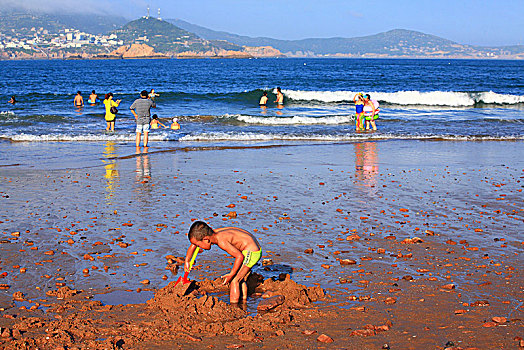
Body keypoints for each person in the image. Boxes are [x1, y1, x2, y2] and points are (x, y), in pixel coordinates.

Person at [184, 221, 261, 304]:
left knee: (235, 280)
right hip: (249, 244)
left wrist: (231, 274)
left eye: (199, 245)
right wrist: (187, 260)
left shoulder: (222, 241)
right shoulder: (212, 233)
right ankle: (244, 301)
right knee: (241, 277)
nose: (198, 247)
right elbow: (193, 244)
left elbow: (239, 257)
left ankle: (234, 307)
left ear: (206, 239)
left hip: (252, 251)